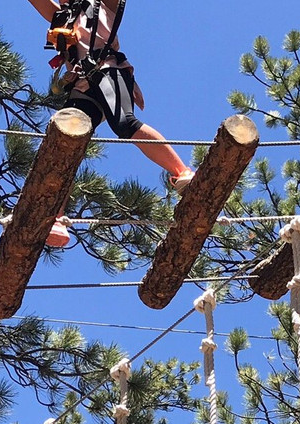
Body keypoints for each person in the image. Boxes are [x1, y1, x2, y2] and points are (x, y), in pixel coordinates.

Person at [27, 0, 195, 247]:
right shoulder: (61, 15)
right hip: (81, 85)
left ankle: (182, 172)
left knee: (125, 124)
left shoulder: (103, 4)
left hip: (107, 69)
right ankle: (57, 218)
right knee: (64, 145)